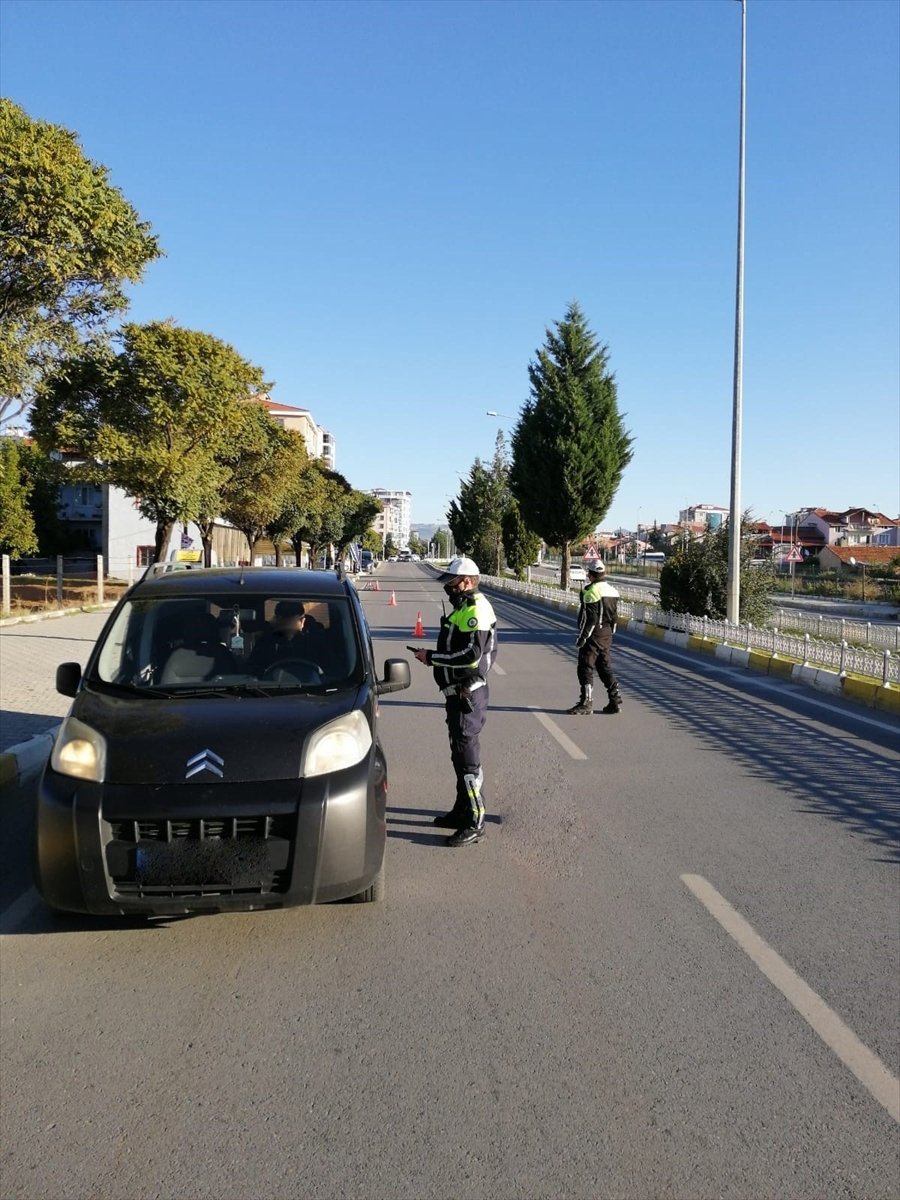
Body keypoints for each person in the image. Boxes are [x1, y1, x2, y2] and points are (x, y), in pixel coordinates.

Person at [410, 556, 497, 847]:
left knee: (468, 761)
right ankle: (462, 811)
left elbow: (470, 656)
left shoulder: (476, 611)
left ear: (468, 582)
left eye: (453, 583)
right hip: (456, 694)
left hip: (467, 695)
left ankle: (476, 821)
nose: (449, 588)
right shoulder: (463, 608)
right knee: (458, 757)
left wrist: (432, 658)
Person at [567, 560, 623, 715]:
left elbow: (589, 619)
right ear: (603, 574)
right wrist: (611, 632)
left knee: (585, 666)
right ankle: (615, 701)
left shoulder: (590, 592)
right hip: (607, 634)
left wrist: (582, 638)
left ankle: (586, 702)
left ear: (590, 575)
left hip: (593, 635)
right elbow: (614, 617)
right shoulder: (612, 591)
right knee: (604, 666)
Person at [249, 599, 324, 675]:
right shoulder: (265, 643)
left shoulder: (314, 644)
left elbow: (329, 674)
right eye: (284, 622)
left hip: (312, 685)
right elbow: (252, 673)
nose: (287, 627)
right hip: (271, 685)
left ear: (303, 621)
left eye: (290, 622)